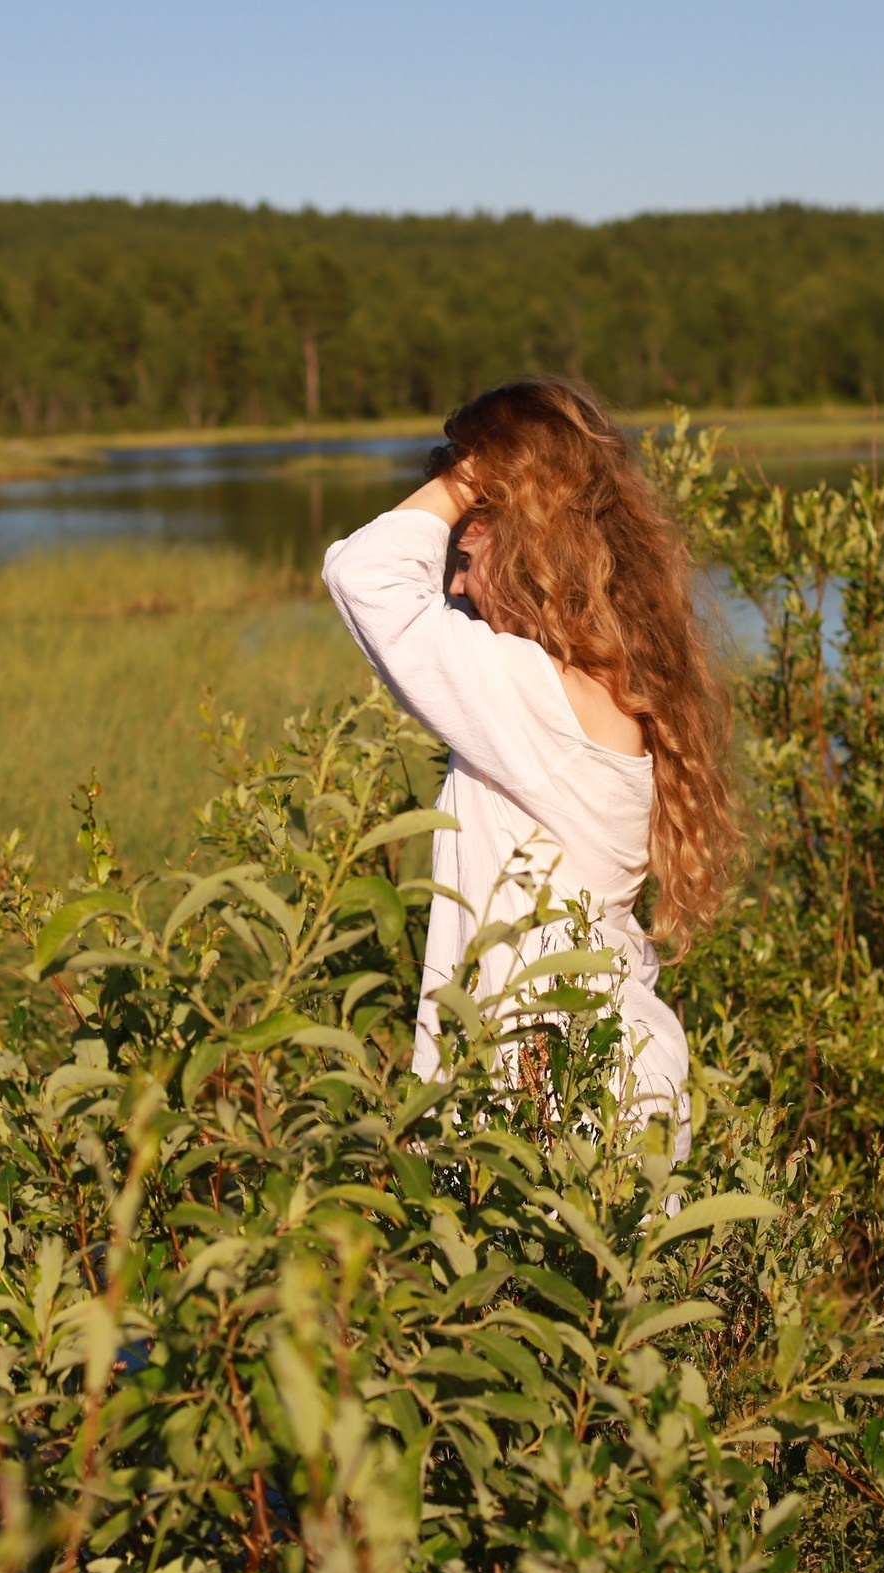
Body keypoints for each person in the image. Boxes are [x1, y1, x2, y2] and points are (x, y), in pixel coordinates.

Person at [320, 377, 736, 1159]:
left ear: (528, 540)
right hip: (606, 1077)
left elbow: (365, 576)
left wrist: (470, 475)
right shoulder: (600, 689)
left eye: (468, 553)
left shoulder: (543, 703)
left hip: (554, 1102)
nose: (453, 582)